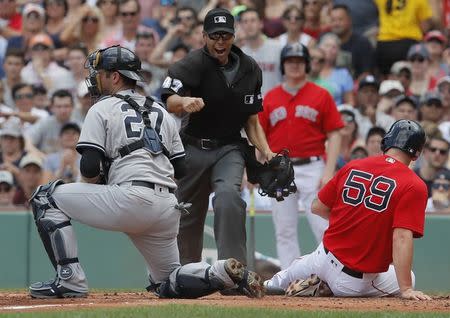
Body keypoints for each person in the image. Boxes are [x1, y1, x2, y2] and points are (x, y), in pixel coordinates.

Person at [28, 45, 265, 299]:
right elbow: (181, 168)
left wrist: (106, 179)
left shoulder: (102, 107)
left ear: (115, 76)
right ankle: (219, 272)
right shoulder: (160, 110)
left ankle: (70, 280)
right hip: (166, 209)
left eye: (102, 72)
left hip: (128, 199)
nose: (96, 77)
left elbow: (88, 169)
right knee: (167, 281)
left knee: (46, 197)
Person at [265, 119, 432, 300]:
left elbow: (317, 207)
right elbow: (401, 237)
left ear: (388, 141)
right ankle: (327, 288)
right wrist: (406, 288)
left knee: (275, 282)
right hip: (352, 282)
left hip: (320, 259)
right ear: (416, 154)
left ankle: (252, 284)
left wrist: (351, 220)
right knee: (411, 278)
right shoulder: (414, 185)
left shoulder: (355, 165)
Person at [163, 8, 274, 266]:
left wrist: (267, 151)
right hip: (192, 147)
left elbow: (252, 119)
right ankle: (186, 271)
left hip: (229, 148)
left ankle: (232, 271)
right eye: (214, 36)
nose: (220, 41)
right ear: (204, 36)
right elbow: (169, 99)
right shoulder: (190, 64)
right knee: (187, 211)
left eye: (225, 35)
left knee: (228, 197)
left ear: (234, 36)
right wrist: (184, 101)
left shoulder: (250, 69)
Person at [258, 43, 344, 270]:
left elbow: (335, 134)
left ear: (307, 64)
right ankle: (291, 278)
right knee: (284, 228)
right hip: (279, 168)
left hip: (313, 166)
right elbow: (258, 135)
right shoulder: (270, 97)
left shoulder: (321, 95)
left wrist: (328, 171)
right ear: (283, 65)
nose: (294, 65)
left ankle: (333, 273)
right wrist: (256, 167)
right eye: (290, 61)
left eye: (299, 61)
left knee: (322, 226)